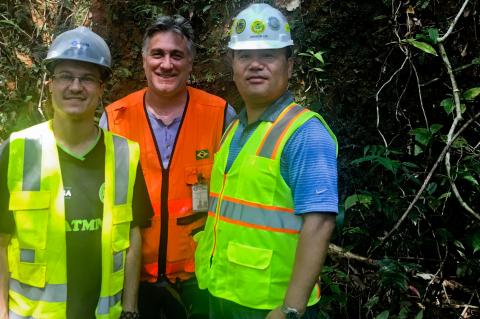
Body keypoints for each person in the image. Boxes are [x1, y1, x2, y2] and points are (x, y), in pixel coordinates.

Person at [194, 3, 338, 319]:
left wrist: (291, 307)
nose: (255, 65)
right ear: (232, 65)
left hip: (271, 306)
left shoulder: (305, 133)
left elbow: (320, 222)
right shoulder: (234, 128)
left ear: (289, 65)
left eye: (268, 55)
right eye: (245, 56)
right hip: (223, 294)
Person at [0, 26, 153, 319]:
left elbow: (133, 236)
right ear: (51, 84)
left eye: (87, 78)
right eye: (65, 76)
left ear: (100, 89)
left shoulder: (125, 154)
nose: (75, 86)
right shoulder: (17, 150)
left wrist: (131, 308)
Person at [100, 15, 236, 319]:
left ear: (190, 63)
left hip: (198, 280)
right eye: (158, 54)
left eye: (177, 55)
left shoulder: (220, 115)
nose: (166, 64)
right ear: (144, 60)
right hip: (131, 280)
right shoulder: (115, 118)